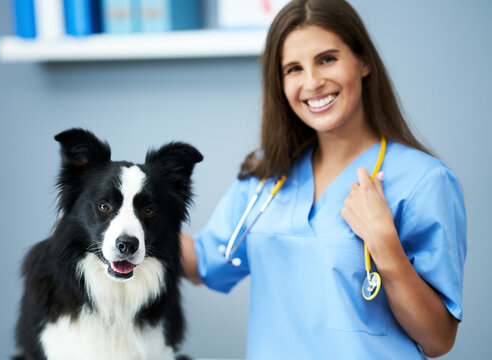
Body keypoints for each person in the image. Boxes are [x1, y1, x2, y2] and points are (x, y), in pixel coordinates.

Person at [181, 0, 466, 358]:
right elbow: (202, 263)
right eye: (294, 69)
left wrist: (385, 244)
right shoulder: (267, 172)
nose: (313, 82)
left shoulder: (423, 181)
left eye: (327, 59)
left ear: (364, 62)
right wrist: (119, 217)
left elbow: (439, 339)